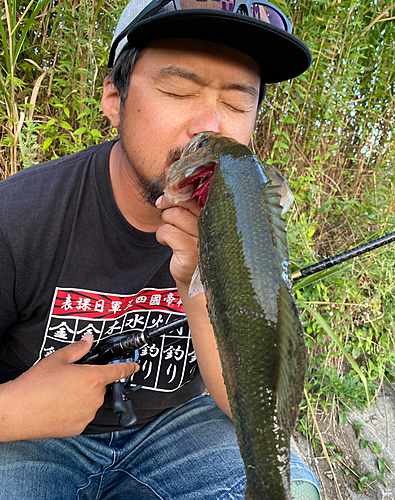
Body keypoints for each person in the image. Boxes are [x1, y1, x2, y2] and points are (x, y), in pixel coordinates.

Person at [0, 0, 320, 498]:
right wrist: (16, 409)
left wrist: (198, 279)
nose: (210, 124)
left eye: (237, 104)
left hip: (178, 427)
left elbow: (247, 405)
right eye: (178, 89)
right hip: (31, 435)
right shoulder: (18, 216)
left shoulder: (247, 223)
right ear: (114, 96)